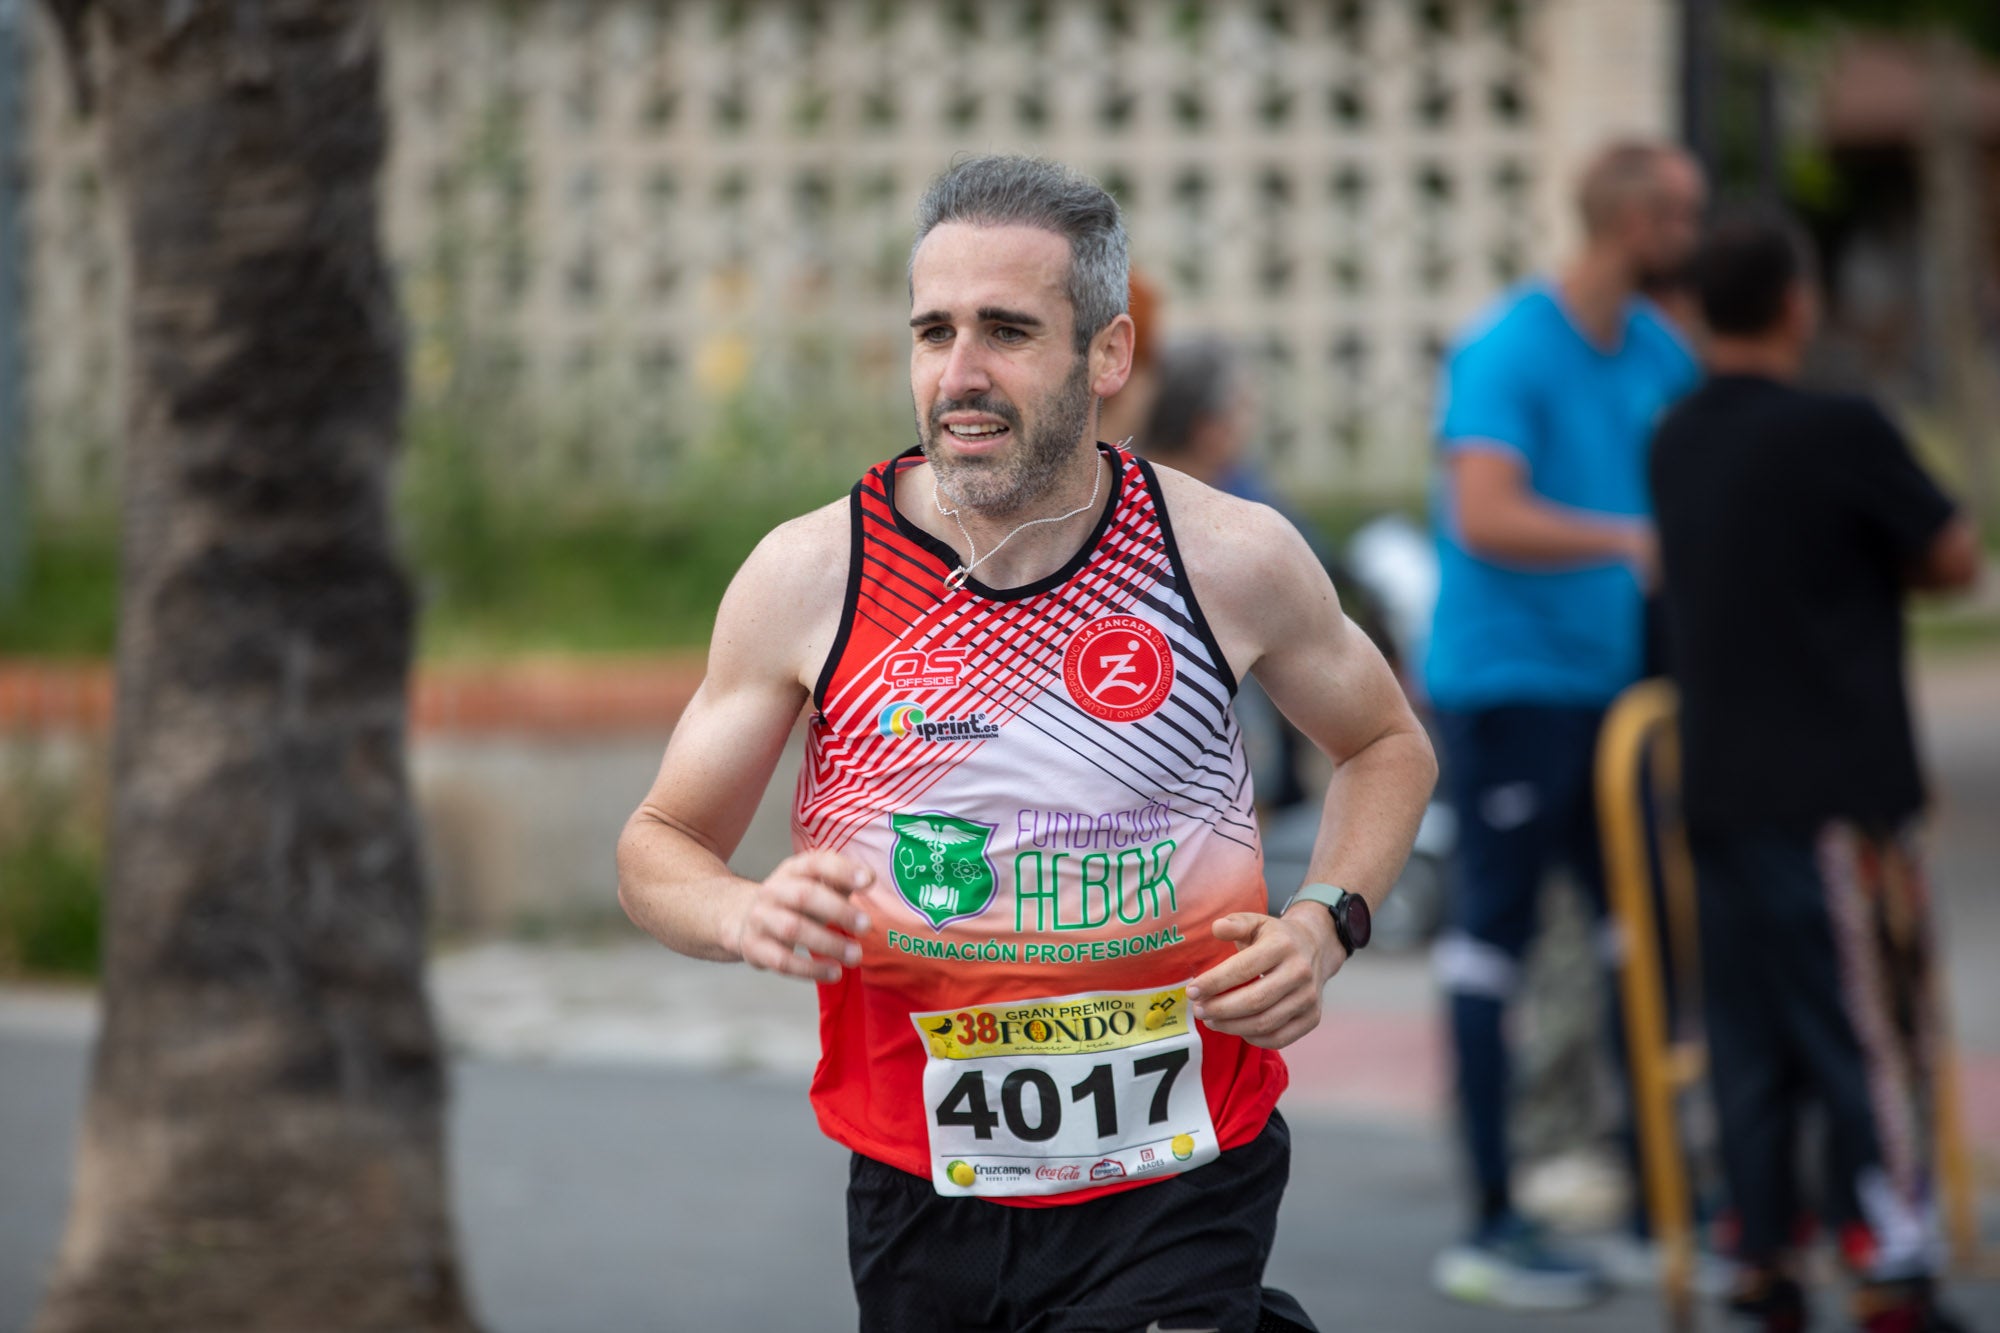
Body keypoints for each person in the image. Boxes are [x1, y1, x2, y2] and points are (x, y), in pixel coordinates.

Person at [615, 155, 1437, 1333]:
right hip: (921, 1187)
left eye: (1006, 331)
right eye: (932, 332)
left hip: (1179, 1173)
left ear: (1106, 354)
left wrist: (1324, 923)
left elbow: (1386, 744)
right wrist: (744, 914)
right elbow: (658, 845)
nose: (960, 374)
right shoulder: (810, 576)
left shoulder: (1226, 557)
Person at [1652, 213, 1980, 1333]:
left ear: (1699, 311)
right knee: (1866, 1022)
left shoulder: (1674, 438)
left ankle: (1762, 1251)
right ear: (1799, 302)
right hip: (1833, 788)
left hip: (1717, 785)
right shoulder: (1842, 427)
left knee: (1748, 1031)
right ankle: (1890, 1260)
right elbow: (1952, 552)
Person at [1425, 139, 1706, 1310]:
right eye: (1680, 215)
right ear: (1632, 222)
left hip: (1613, 695)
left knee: (1634, 938)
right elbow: (1482, 513)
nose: (1693, 236)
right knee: (1488, 945)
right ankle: (1489, 1221)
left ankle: (1657, 1205)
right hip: (1507, 688)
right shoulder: (1506, 347)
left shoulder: (1655, 350)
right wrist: (1628, 539)